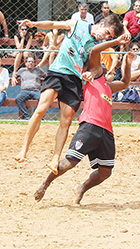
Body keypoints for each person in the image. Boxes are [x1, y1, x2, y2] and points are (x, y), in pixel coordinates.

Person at [13, 15, 127, 175]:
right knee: (40, 109)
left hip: (73, 80)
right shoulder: (77, 24)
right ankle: (24, 149)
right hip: (58, 72)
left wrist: (87, 75)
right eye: (107, 32)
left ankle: (55, 158)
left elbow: (90, 68)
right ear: (101, 24)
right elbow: (53, 23)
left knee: (65, 121)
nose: (106, 37)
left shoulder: (96, 46)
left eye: (109, 37)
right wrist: (33, 23)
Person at [33, 35, 134, 205]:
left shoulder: (107, 86)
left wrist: (127, 64)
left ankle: (81, 188)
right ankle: (46, 183)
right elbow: (95, 50)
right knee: (71, 161)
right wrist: (117, 41)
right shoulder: (92, 78)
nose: (103, 64)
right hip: (90, 126)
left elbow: (124, 83)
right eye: (100, 64)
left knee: (105, 172)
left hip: (107, 131)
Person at [13, 55, 47, 119]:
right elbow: (15, 75)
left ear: (34, 63)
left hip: (36, 91)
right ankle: (26, 117)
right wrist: (14, 78)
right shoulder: (22, 70)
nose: (30, 63)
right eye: (29, 61)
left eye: (32, 62)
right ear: (25, 63)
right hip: (25, 91)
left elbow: (46, 77)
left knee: (42, 100)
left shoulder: (38, 70)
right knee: (18, 99)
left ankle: (39, 117)